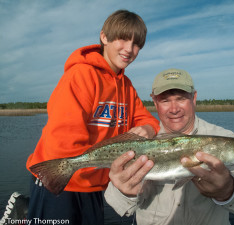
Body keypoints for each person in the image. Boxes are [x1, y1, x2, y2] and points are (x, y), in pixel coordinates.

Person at [25, 10, 160, 225]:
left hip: (95, 185)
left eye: (137, 44)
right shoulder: (80, 75)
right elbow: (63, 143)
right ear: (104, 37)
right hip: (59, 181)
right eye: (123, 39)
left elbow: (148, 119)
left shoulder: (126, 86)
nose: (129, 49)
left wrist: (149, 129)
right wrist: (111, 172)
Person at [104, 68, 234, 225]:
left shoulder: (223, 135)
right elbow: (115, 203)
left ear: (194, 98)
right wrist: (125, 192)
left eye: (181, 98)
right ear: (155, 102)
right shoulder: (142, 140)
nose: (174, 109)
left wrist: (227, 190)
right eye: (165, 100)